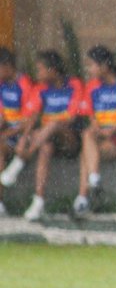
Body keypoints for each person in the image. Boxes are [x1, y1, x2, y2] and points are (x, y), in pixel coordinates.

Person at [1, 51, 84, 220]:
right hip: (45, 139)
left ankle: (20, 161)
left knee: (53, 125)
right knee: (45, 146)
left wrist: (31, 139)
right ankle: (38, 201)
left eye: (40, 70)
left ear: (53, 70)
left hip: (70, 139)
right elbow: (33, 117)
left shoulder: (74, 85)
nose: (37, 74)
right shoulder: (40, 89)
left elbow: (71, 118)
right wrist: (24, 138)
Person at [75, 46, 116, 217]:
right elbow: (91, 116)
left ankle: (83, 197)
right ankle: (93, 181)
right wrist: (98, 128)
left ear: (104, 66)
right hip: (102, 137)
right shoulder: (92, 87)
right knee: (87, 134)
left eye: (92, 65)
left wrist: (111, 131)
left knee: (85, 155)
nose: (89, 69)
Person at [0, 48, 34, 216]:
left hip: (25, 137)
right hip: (9, 136)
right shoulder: (2, 85)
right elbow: (3, 117)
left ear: (7, 66)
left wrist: (7, 134)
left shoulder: (24, 84)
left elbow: (29, 121)